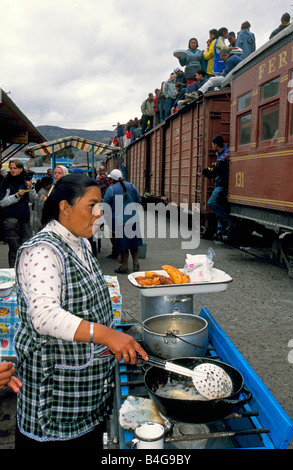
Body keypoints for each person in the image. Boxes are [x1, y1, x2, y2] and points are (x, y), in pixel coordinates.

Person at [13, 173, 148, 448]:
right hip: (55, 402)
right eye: (92, 205)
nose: (99, 213)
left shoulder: (82, 243)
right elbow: (45, 317)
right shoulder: (42, 250)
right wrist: (108, 335)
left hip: (85, 390)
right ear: (65, 207)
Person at [103, 169, 143, 274]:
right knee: (134, 243)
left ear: (111, 179)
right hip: (133, 219)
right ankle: (136, 264)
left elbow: (105, 205)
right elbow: (138, 200)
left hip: (120, 221)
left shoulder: (111, 189)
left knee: (123, 245)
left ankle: (124, 266)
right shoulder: (132, 186)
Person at [0, 159, 37, 267]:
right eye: (11, 168)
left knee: (28, 246)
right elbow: (2, 202)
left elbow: (33, 199)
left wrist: (31, 188)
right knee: (14, 249)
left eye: (15, 168)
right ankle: (13, 272)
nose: (12, 170)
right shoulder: (6, 182)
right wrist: (17, 196)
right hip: (11, 219)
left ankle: (26, 271)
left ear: (21, 169)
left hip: (25, 218)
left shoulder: (26, 181)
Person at [202, 135, 233, 241]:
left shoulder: (226, 153)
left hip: (222, 185)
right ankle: (220, 230)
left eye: (212, 144)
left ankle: (229, 222)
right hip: (218, 183)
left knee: (212, 203)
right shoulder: (220, 153)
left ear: (216, 144)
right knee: (219, 206)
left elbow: (222, 169)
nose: (211, 146)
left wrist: (213, 169)